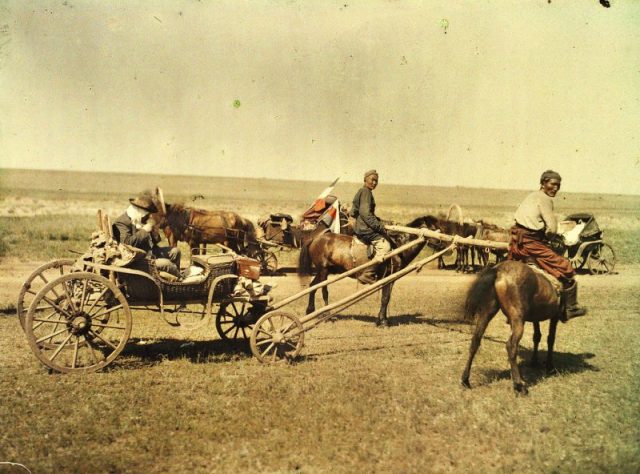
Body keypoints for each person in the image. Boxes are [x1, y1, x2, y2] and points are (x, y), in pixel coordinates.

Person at [508, 170, 587, 321]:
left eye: (558, 185)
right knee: (566, 267)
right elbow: (552, 228)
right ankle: (571, 307)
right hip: (531, 242)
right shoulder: (545, 199)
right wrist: (550, 236)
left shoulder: (532, 196)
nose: (556, 188)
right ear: (543, 183)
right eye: (552, 184)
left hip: (517, 240)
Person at [112, 194, 181, 278]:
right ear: (138, 210)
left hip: (149, 253)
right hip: (135, 259)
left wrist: (155, 234)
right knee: (166, 264)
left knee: (175, 251)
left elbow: (152, 242)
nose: (148, 216)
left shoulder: (140, 219)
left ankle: (173, 279)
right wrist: (144, 230)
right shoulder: (122, 222)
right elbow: (126, 243)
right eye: (146, 213)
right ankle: (179, 280)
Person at [350, 169, 392, 283]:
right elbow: (366, 214)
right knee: (386, 247)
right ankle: (368, 273)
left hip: (361, 227)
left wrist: (382, 221)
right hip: (365, 229)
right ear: (365, 179)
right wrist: (379, 227)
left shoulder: (361, 191)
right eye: (372, 180)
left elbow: (354, 212)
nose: (374, 183)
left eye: (376, 181)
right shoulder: (366, 192)